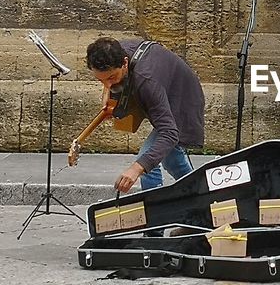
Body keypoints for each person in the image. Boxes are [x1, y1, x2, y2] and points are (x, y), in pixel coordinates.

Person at [85, 37, 206, 193]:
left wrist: (136, 169)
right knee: (172, 160)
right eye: (101, 81)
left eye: (111, 78)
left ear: (125, 63)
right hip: (166, 87)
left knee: (148, 163)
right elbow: (112, 82)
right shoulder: (113, 50)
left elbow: (169, 133)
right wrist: (109, 94)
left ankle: (154, 212)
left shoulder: (147, 80)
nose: (108, 85)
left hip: (184, 100)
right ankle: (202, 196)